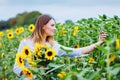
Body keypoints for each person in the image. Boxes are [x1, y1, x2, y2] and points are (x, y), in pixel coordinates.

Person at [13, 14, 106, 79]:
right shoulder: (26, 43)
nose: (55, 28)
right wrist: (32, 72)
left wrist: (99, 43)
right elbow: (16, 68)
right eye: (52, 25)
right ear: (43, 26)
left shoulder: (54, 46)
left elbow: (76, 52)